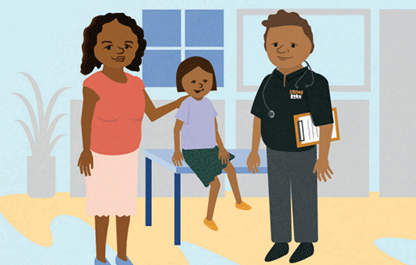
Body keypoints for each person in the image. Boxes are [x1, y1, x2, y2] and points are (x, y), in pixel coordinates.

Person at [77, 13, 188, 265]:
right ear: (95, 48)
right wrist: (85, 150)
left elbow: (153, 114)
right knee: (102, 209)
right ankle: (100, 257)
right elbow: (85, 120)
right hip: (100, 157)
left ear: (136, 50)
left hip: (128, 155)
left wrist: (178, 103)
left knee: (124, 207)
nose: (119, 51)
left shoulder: (136, 84)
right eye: (109, 46)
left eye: (127, 46)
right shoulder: (93, 83)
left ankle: (122, 255)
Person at [246, 10, 334, 263]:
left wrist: (324, 157)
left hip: (305, 154)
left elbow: (325, 123)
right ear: (266, 48)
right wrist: (254, 150)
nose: (283, 50)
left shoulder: (316, 82)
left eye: (293, 44)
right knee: (278, 197)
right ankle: (281, 242)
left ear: (309, 47)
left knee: (305, 196)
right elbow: (258, 117)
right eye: (275, 44)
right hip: (274, 151)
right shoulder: (268, 82)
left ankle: (306, 243)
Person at [172, 56, 251, 231]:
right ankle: (209, 218)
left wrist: (222, 149)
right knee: (216, 184)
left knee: (230, 168)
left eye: (205, 81)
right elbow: (176, 129)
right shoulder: (186, 104)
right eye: (193, 81)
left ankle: (238, 201)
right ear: (183, 83)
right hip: (193, 152)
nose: (200, 85)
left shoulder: (208, 103)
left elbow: (214, 130)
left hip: (211, 148)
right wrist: (177, 151)